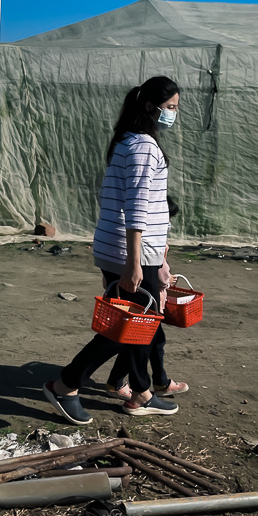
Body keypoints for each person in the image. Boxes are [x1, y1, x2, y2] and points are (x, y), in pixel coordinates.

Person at [43, 76, 182, 424]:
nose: (174, 115)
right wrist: (134, 263)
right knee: (128, 327)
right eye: (171, 109)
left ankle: (140, 392)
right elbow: (136, 207)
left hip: (124, 247)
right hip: (130, 251)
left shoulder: (126, 141)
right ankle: (66, 383)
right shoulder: (143, 147)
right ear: (151, 108)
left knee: (140, 324)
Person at [103, 197, 188, 400]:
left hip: (139, 302)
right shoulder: (154, 244)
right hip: (150, 305)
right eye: (167, 219)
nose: (169, 224)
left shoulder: (128, 242)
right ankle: (146, 384)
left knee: (145, 343)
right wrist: (169, 280)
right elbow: (160, 274)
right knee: (143, 343)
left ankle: (156, 382)